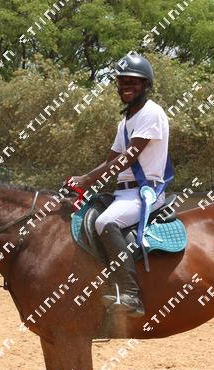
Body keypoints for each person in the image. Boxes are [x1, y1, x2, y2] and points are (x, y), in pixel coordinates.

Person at [66, 53, 171, 317]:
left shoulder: (151, 113)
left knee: (105, 222)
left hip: (145, 192)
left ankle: (130, 294)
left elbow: (128, 158)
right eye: (122, 81)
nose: (126, 86)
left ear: (146, 84)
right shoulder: (125, 123)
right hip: (124, 194)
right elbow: (111, 160)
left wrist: (86, 179)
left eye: (133, 81)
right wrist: (82, 183)